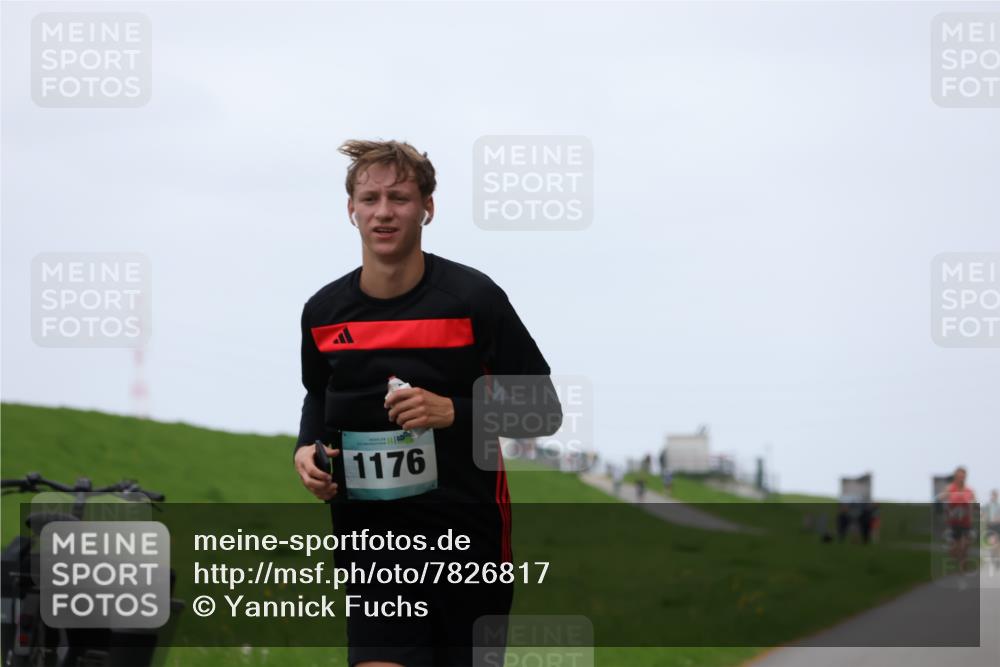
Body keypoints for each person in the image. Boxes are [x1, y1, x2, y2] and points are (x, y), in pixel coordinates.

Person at [293, 140, 561, 667]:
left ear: (427, 208)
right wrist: (306, 449)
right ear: (352, 210)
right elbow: (318, 394)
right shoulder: (324, 313)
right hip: (371, 545)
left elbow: (543, 408)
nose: (384, 211)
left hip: (467, 541)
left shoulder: (472, 299)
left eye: (400, 197)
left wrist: (455, 412)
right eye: (370, 198)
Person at [938, 466, 977, 575]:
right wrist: (944, 498)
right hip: (953, 522)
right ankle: (958, 559)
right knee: (955, 548)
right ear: (955, 477)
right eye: (959, 476)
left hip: (966, 521)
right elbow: (941, 498)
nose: (961, 478)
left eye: (963, 476)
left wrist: (973, 506)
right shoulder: (950, 488)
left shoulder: (969, 490)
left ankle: (963, 566)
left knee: (965, 545)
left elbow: (974, 502)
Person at [985, 489, 1000, 566]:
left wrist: (998, 519)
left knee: (997, 543)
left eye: (995, 495)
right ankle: (993, 555)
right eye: (993, 495)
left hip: (997, 526)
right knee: (992, 542)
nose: (993, 497)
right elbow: (984, 514)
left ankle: (997, 558)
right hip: (990, 526)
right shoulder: (987, 506)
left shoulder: (998, 506)